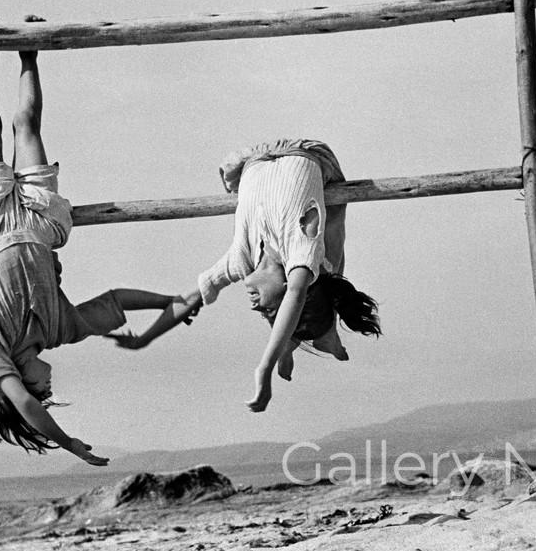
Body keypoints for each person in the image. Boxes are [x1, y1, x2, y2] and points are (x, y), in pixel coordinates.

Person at [0, 17, 200, 465]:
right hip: (40, 225)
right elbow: (116, 300)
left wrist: (67, 444)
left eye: (43, 389)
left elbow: (24, 407)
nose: (48, 385)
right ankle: (29, 52)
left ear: (18, 382)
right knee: (27, 126)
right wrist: (168, 300)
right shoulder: (60, 330)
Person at [116, 139, 380, 412]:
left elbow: (189, 298)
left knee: (320, 277)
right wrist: (265, 369)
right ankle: (303, 339)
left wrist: (144, 340)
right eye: (268, 309)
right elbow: (297, 295)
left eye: (264, 313)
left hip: (253, 160)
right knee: (329, 260)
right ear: (288, 286)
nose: (255, 306)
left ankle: (292, 344)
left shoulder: (240, 261)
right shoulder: (301, 256)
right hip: (306, 152)